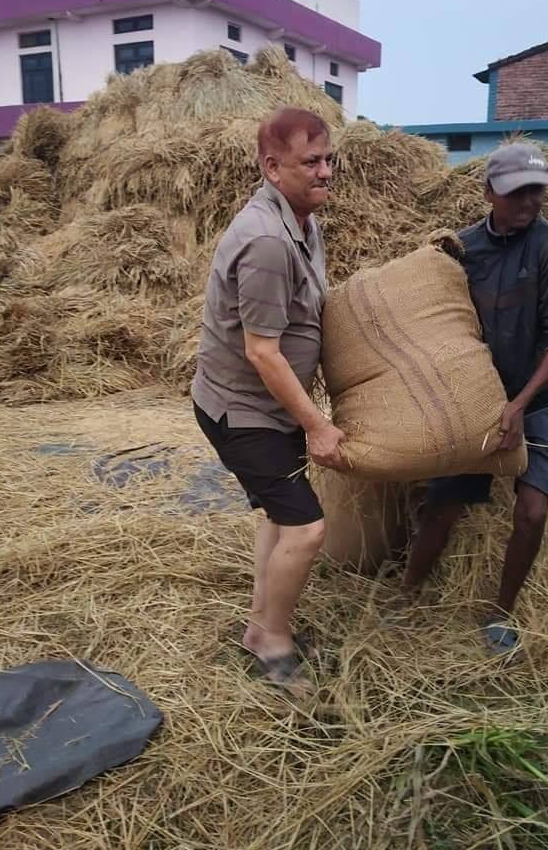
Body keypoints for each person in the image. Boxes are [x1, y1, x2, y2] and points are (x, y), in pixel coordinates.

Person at [403, 142, 548, 653]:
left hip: (537, 401)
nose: (530, 202)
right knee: (442, 506)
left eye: (537, 191)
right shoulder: (464, 249)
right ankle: (407, 597)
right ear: (489, 193)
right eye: (518, 192)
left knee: (531, 511)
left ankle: (501, 614)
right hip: (477, 403)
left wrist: (520, 405)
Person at [192, 107, 345, 693]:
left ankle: (262, 622)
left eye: (328, 159)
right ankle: (270, 641)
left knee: (280, 517)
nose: (326, 172)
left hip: (270, 404)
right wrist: (317, 425)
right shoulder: (264, 241)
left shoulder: (303, 225)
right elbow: (262, 352)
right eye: (312, 162)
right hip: (242, 410)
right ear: (272, 167)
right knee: (306, 530)